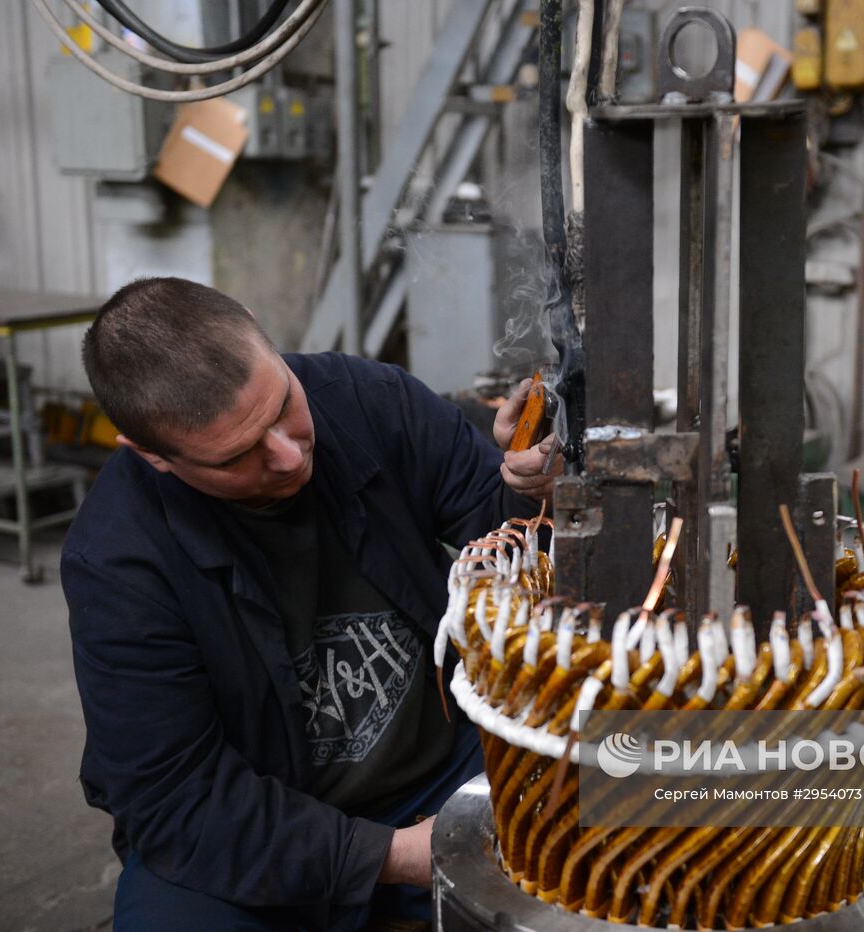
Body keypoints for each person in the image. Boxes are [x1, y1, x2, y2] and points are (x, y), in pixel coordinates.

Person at [62, 277, 557, 930]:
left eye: (282, 406)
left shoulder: (369, 401)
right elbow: (177, 799)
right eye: (239, 455)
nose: (290, 456)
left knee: (658, 803)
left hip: (448, 771)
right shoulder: (117, 561)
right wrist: (401, 854)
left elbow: (508, 547)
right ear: (152, 455)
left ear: (254, 323)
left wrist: (535, 487)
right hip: (262, 826)